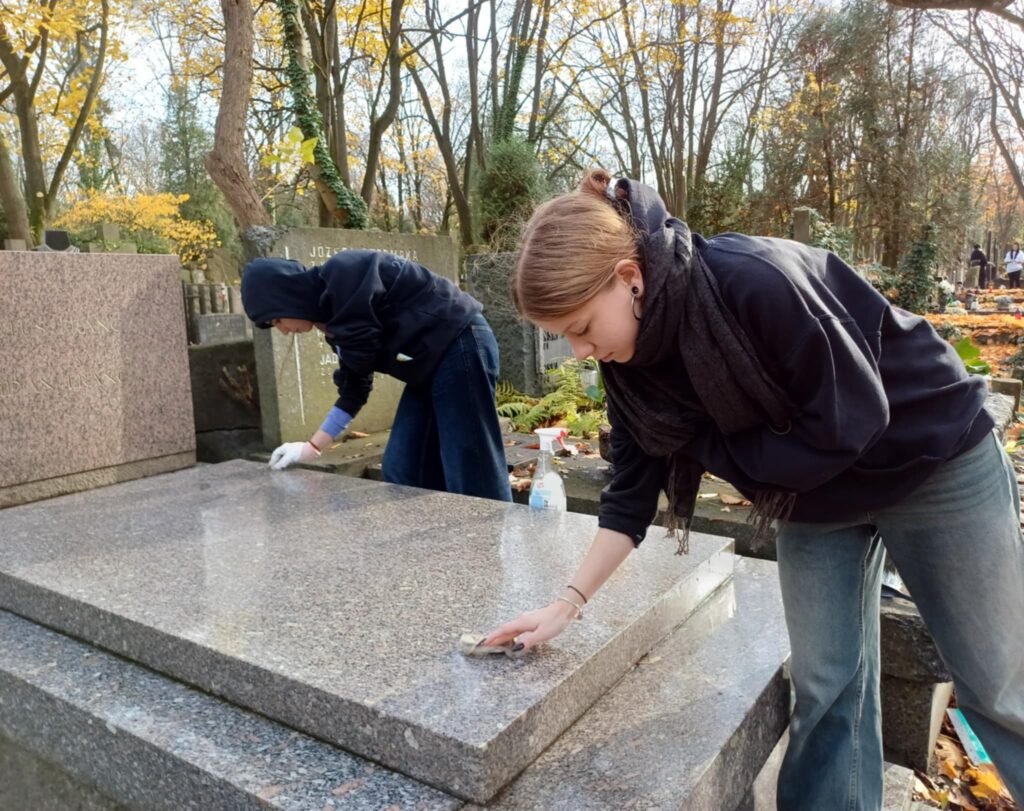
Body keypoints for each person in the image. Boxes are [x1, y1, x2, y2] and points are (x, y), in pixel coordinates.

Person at [483, 170, 1024, 810]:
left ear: (631, 277)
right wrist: (567, 604)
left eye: (579, 326)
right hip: (814, 496)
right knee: (826, 683)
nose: (577, 351)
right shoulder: (631, 372)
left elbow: (849, 419)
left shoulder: (752, 279)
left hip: (929, 454)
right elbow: (630, 493)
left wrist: (713, 447)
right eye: (563, 336)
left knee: (996, 686)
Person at [240, 250, 512, 502]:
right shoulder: (334, 326)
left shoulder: (343, 274)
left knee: (470, 464)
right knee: (403, 466)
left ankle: (488, 547)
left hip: (460, 341)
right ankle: (437, 541)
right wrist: (311, 447)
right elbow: (355, 388)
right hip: (429, 365)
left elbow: (362, 345)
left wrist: (344, 345)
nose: (283, 331)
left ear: (286, 296)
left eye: (276, 320)